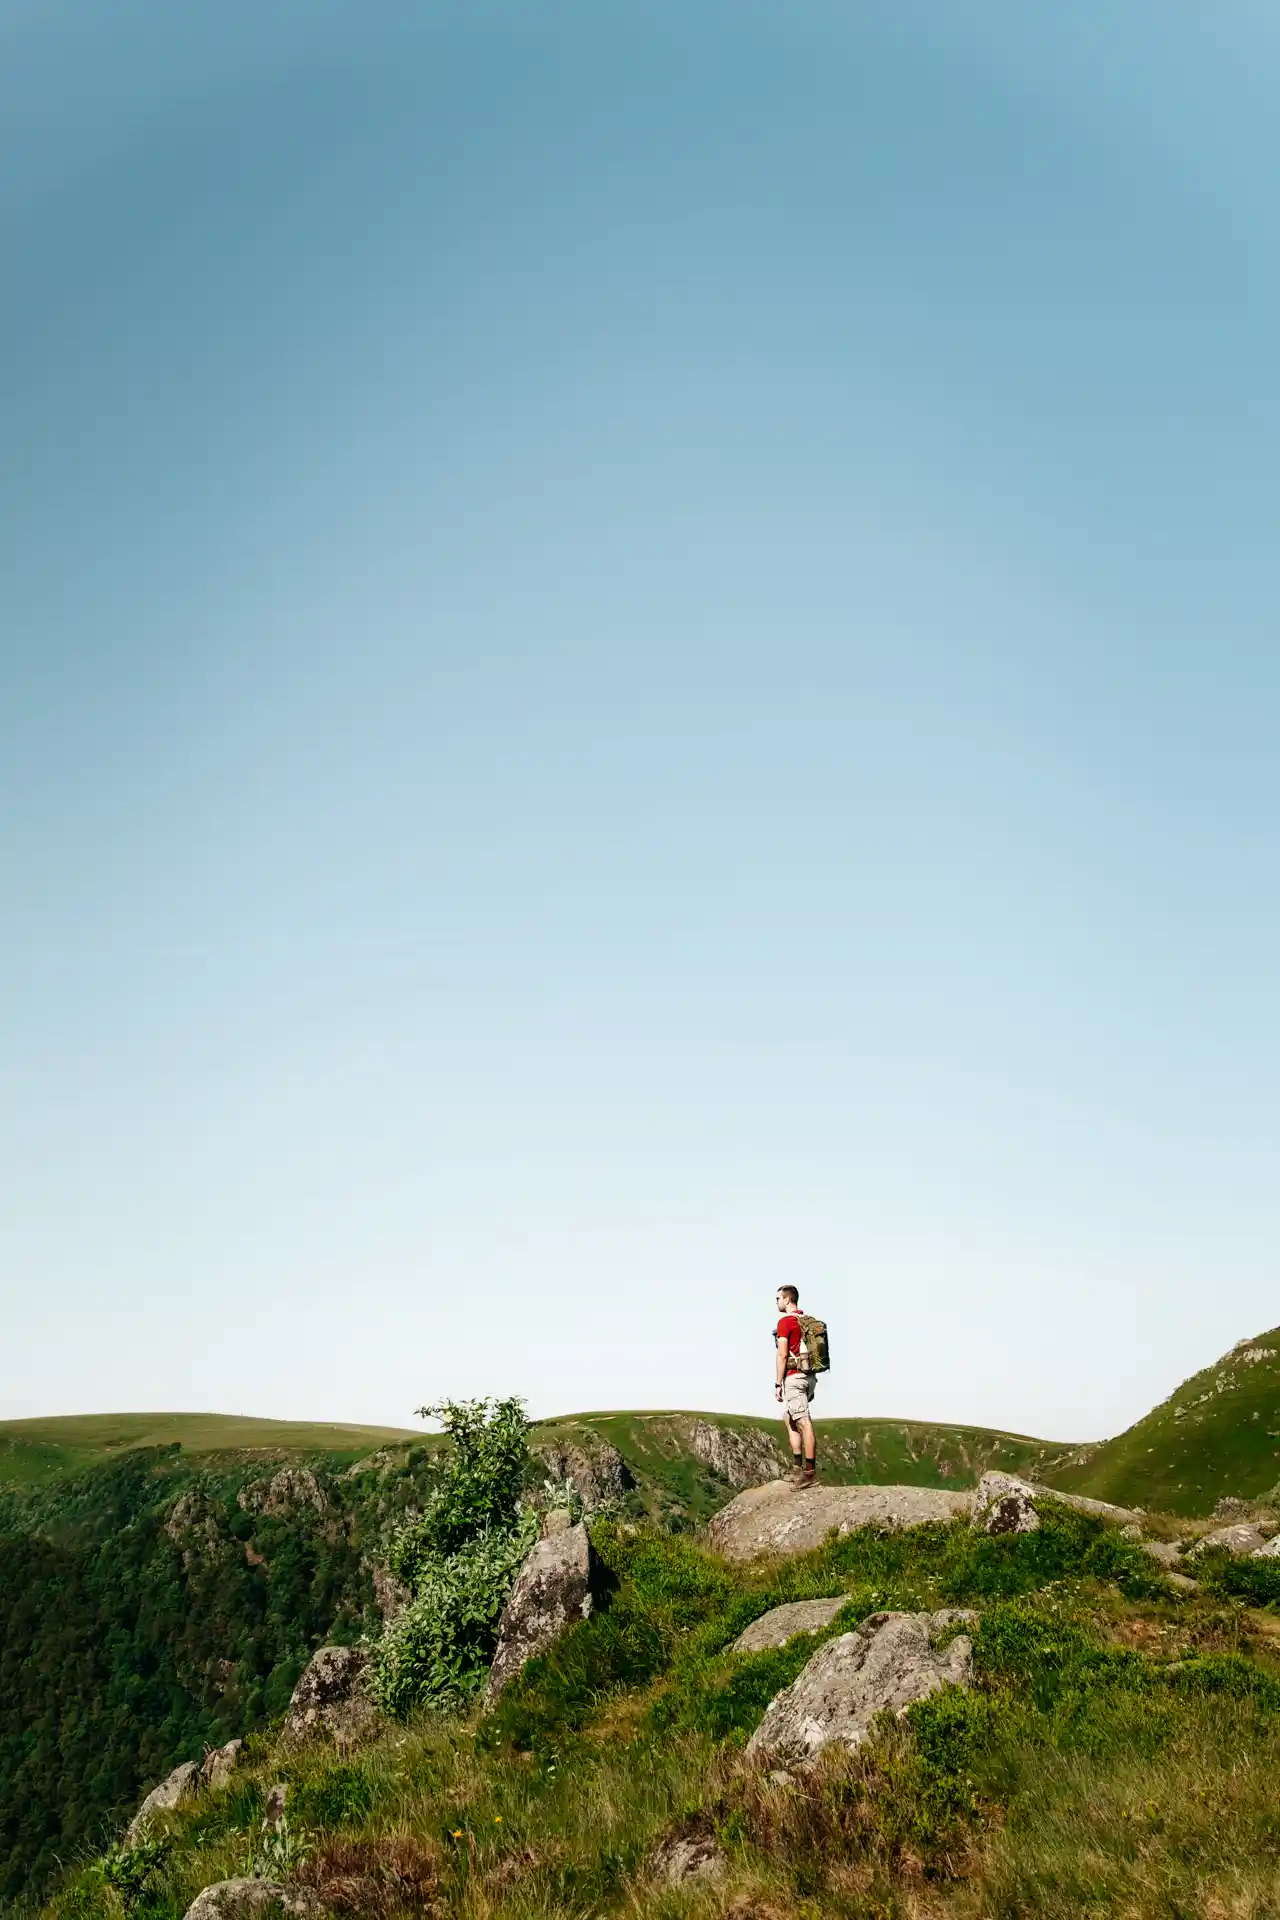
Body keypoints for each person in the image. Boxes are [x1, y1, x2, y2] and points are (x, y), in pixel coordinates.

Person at [774, 1285, 817, 1486]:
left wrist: (777, 1383)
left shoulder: (785, 1322)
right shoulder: (805, 1321)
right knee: (789, 1417)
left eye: (778, 1299)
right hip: (809, 1377)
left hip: (794, 1377)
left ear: (788, 1300)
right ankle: (798, 1467)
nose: (777, 1303)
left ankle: (809, 1473)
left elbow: (782, 1354)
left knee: (803, 1422)